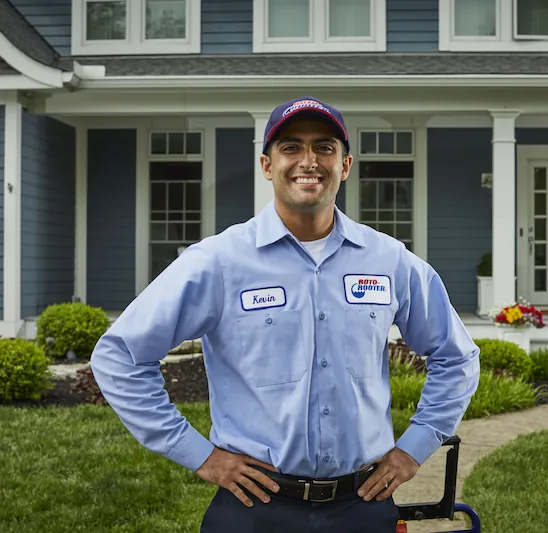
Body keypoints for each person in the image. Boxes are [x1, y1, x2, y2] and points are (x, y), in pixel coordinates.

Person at [89, 96, 481, 532]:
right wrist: (199, 455)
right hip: (254, 506)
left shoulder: (389, 261)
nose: (308, 161)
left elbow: (457, 356)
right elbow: (120, 355)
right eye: (291, 147)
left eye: (325, 147)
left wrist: (413, 449)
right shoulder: (218, 262)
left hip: (362, 506)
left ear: (345, 165)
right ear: (266, 165)